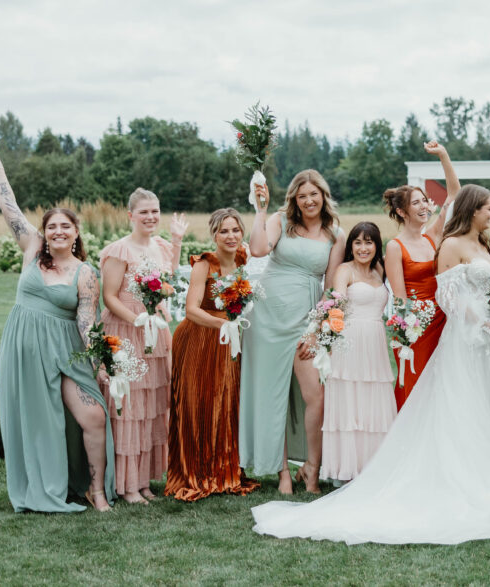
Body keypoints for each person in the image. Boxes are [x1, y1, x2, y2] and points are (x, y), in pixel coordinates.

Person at [251, 185, 490, 544]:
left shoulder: (483, 244)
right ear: (474, 209)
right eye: (489, 207)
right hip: (453, 334)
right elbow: (446, 296)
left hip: (487, 340)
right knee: (457, 405)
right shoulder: (437, 245)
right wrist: (482, 323)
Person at [0, 134, 115, 512]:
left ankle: (96, 491)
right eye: (52, 226)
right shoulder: (31, 248)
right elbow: (9, 207)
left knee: (93, 416)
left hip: (65, 353)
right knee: (39, 422)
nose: (58, 231)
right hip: (25, 350)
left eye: (66, 226)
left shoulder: (85, 273)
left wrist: (100, 364)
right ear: (44, 231)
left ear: (76, 233)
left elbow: (88, 323)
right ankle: (42, 484)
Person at [240, 170, 344, 494]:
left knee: (316, 396)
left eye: (314, 194)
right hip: (267, 318)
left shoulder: (335, 233)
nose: (309, 201)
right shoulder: (280, 220)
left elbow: (330, 288)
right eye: (302, 196)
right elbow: (258, 250)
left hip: (305, 320)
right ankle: (282, 470)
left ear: (323, 196)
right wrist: (260, 210)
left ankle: (312, 468)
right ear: (294, 200)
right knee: (273, 395)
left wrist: (316, 329)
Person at [165, 208, 260, 502]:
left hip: (229, 342)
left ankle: (224, 471)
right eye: (223, 231)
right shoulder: (204, 264)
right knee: (200, 404)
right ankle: (197, 472)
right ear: (214, 235)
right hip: (199, 339)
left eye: (235, 230)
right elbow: (191, 310)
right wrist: (223, 324)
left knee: (227, 403)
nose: (230, 236)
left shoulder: (244, 260)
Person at [99, 188, 187, 504]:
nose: (151, 217)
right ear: (131, 216)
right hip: (126, 329)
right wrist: (137, 319)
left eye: (155, 211)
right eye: (144, 212)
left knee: (151, 406)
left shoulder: (161, 245)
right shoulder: (119, 250)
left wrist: (176, 241)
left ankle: (144, 480)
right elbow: (109, 296)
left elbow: (166, 280)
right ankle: (126, 485)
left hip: (155, 332)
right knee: (129, 406)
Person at [382, 141, 460, 409]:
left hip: (443, 320)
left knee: (442, 385)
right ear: (402, 212)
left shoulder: (433, 236)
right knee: (416, 385)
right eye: (416, 203)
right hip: (415, 327)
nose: (425, 206)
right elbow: (399, 298)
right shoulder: (395, 247)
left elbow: (454, 194)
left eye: (425, 200)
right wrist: (407, 334)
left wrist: (443, 155)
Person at [321, 222, 396, 483]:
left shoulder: (380, 269)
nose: (363, 248)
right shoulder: (344, 270)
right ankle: (348, 469)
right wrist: (329, 336)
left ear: (377, 246)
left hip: (375, 343)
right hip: (350, 342)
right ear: (351, 246)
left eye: (369, 242)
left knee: (373, 401)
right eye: (358, 242)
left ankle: (374, 467)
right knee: (350, 401)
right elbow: (336, 304)